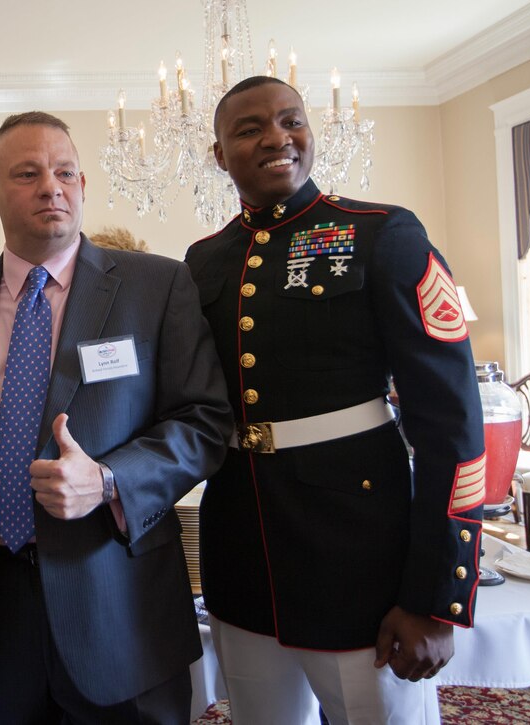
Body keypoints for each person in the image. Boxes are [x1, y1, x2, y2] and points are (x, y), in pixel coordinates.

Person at [184, 76, 485, 724]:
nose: (276, 137)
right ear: (218, 155)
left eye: (291, 119)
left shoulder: (382, 233)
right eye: (249, 128)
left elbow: (452, 423)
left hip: (361, 563)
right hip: (243, 557)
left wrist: (437, 597)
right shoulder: (204, 261)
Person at [0, 111, 232, 724]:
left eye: (65, 172)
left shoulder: (158, 286)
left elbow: (205, 419)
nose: (51, 187)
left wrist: (111, 479)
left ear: (83, 185)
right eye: (28, 174)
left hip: (119, 601)